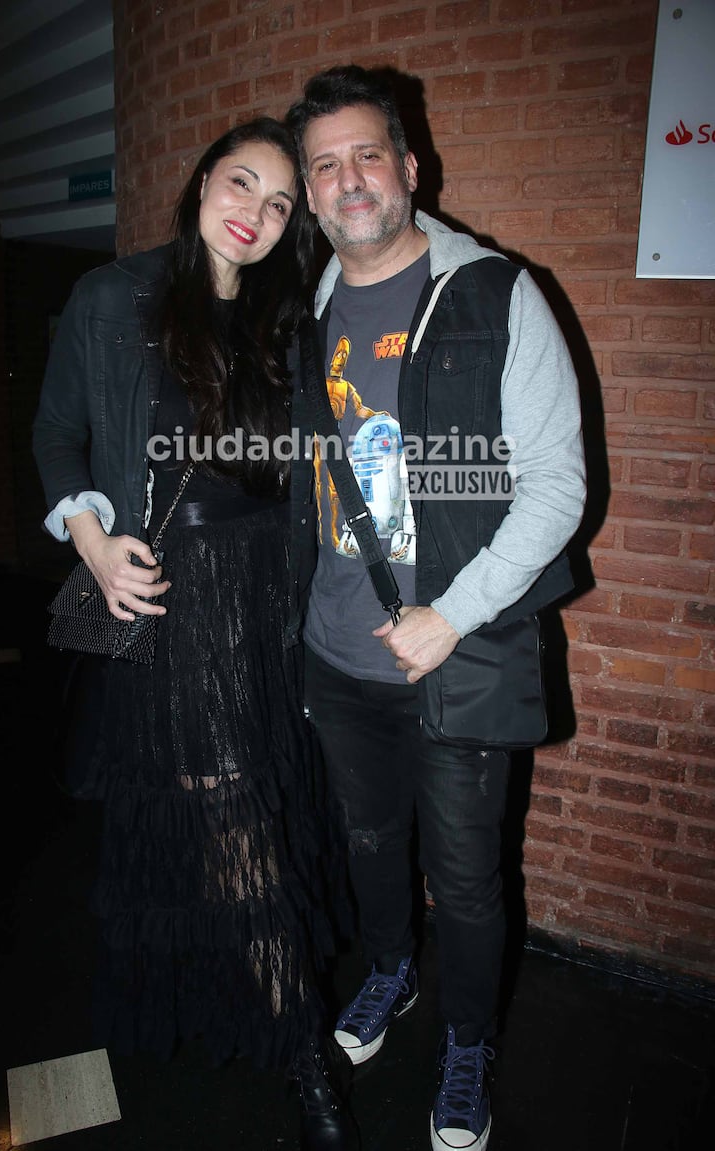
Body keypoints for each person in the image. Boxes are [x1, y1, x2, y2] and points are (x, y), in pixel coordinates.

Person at [32, 117, 357, 1151]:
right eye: (241, 183)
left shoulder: (287, 319)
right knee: (235, 824)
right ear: (200, 182)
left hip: (274, 593)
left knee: (260, 798)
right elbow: (56, 429)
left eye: (277, 203)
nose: (255, 213)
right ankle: (303, 1048)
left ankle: (260, 990)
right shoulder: (112, 295)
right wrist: (89, 537)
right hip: (178, 597)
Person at [285, 67, 587, 1151]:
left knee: (464, 878)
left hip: (451, 655)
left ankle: (467, 1043)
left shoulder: (495, 292)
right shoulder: (309, 303)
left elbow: (557, 483)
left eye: (367, 153)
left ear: (409, 168)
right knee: (370, 844)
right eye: (324, 163)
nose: (347, 179)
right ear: (311, 194)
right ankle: (390, 974)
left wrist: (448, 614)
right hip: (335, 654)